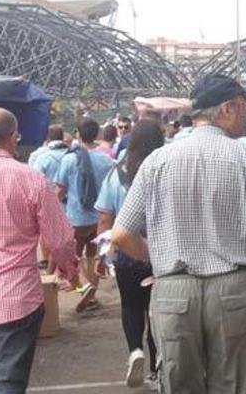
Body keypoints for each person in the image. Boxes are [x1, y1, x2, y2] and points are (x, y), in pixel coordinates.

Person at [111, 74, 246, 394]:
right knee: (232, 383)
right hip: (233, 285)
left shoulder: (157, 161)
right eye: (244, 107)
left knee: (180, 384)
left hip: (173, 288)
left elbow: (121, 234)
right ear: (226, 108)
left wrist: (159, 255)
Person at [0, 108, 79, 393]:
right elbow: (61, 239)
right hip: (14, 296)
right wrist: (70, 271)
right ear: (13, 138)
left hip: (14, 296)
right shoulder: (29, 179)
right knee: (6, 381)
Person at [94, 119, 166, 388]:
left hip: (127, 251)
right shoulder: (167, 169)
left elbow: (104, 218)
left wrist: (104, 256)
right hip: (162, 252)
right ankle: (158, 366)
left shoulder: (116, 173)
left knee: (131, 305)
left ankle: (134, 350)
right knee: (157, 310)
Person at [54, 117, 115, 312]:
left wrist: (52, 211)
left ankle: (83, 288)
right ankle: (92, 296)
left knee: (70, 257)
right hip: (99, 219)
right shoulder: (106, 160)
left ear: (78, 135)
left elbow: (60, 190)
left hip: (76, 218)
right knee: (92, 257)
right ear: (96, 135)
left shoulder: (70, 159)